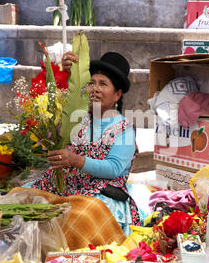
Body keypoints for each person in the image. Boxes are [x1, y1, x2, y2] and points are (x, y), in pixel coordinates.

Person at [31, 51, 141, 237]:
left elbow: (114, 168)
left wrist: (77, 161)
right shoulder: (78, 118)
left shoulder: (124, 129)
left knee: (74, 221)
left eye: (103, 84)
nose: (95, 89)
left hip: (100, 195)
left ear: (117, 95)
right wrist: (69, 75)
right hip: (67, 187)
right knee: (23, 200)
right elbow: (52, 135)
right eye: (91, 83)